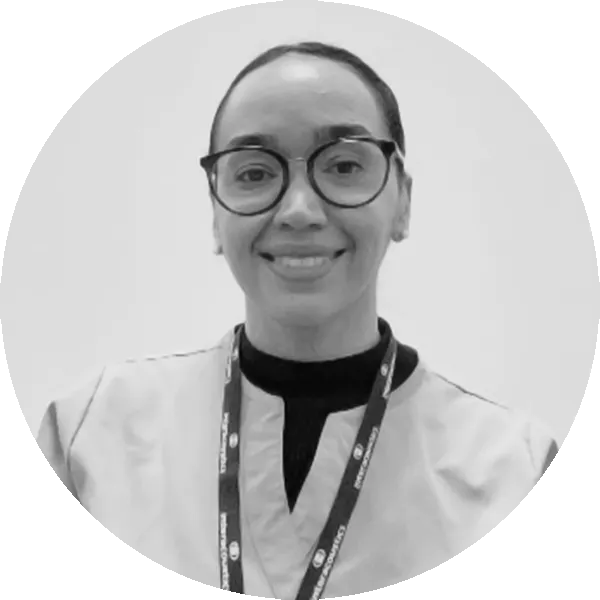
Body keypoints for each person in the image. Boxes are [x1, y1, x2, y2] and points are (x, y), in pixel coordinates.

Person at [32, 41, 560, 599]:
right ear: (215, 211)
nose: (299, 211)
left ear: (402, 199)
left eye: (344, 166)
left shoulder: (516, 473)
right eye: (255, 173)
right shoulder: (91, 440)